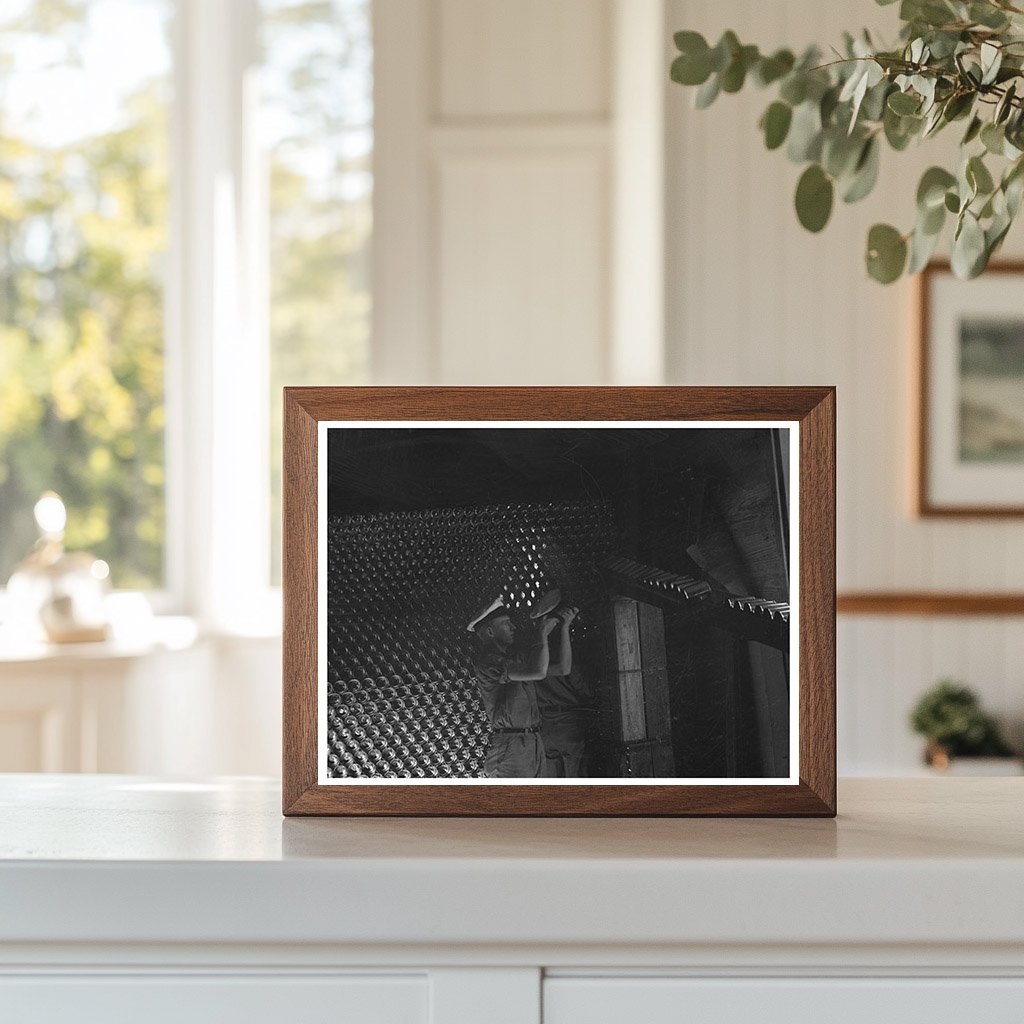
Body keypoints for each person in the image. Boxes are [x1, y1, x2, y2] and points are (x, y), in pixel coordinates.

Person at [467, 595, 560, 778]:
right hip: (511, 747)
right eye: (506, 623)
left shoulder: (514, 661)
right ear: (490, 632)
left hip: (531, 741)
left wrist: (563, 627)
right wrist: (541, 635)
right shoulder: (488, 662)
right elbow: (539, 672)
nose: (513, 627)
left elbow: (562, 668)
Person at [533, 604, 594, 778]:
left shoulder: (533, 654)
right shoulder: (568, 657)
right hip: (569, 726)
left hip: (544, 726)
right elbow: (584, 689)